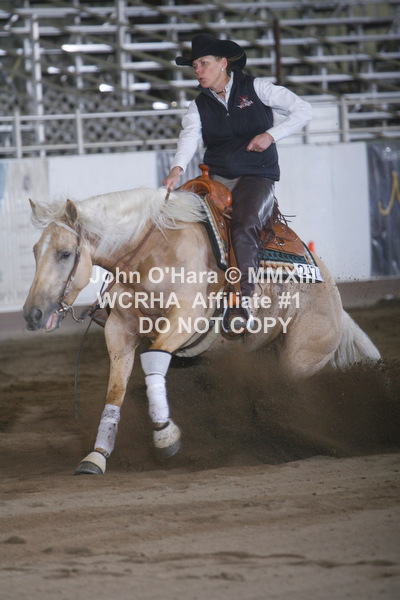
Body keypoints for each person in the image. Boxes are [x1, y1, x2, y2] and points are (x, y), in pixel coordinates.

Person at [163, 33, 313, 331]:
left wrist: (270, 135)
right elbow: (189, 137)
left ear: (223, 63)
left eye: (203, 63)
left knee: (243, 225)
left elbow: (303, 110)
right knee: (177, 224)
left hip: (257, 174)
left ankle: (241, 302)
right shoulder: (198, 106)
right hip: (217, 177)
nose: (198, 70)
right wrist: (177, 168)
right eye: (195, 66)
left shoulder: (256, 88)